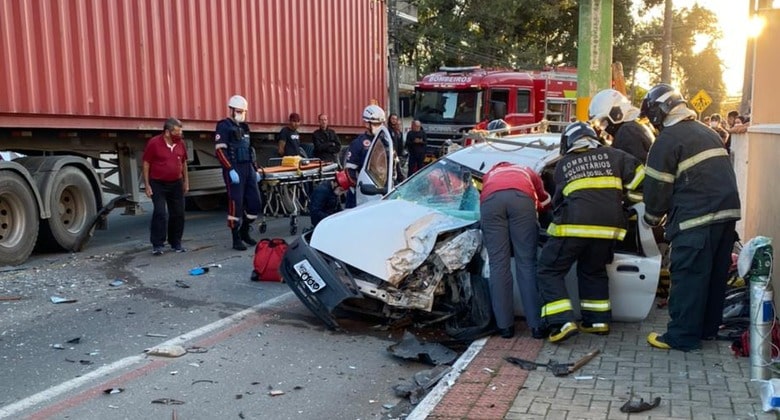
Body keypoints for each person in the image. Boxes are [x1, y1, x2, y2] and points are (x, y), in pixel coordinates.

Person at [640, 84, 741, 352]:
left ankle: (682, 337)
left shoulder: (668, 140)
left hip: (696, 218)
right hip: (727, 215)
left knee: (689, 276)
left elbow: (657, 187)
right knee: (714, 276)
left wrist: (651, 218)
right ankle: (706, 330)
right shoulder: (708, 132)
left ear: (659, 112)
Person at [537, 121, 644, 344]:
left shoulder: (564, 164)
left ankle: (562, 322)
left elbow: (558, 203)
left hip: (574, 227)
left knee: (549, 269)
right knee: (593, 271)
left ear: (568, 143)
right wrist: (624, 201)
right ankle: (597, 321)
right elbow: (642, 178)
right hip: (609, 229)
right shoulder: (616, 155)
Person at [480, 162, 551, 339]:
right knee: (527, 264)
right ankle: (536, 326)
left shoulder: (490, 174)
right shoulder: (526, 170)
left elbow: (482, 196)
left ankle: (505, 327)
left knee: (498, 265)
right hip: (521, 201)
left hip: (491, 203)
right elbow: (544, 199)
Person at [215, 95, 263, 251]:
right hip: (234, 169)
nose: (241, 114)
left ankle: (244, 230)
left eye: (243, 111)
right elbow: (220, 151)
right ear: (231, 110)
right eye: (238, 111)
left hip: (248, 168)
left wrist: (255, 169)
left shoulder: (245, 127)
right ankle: (236, 237)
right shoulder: (224, 126)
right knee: (236, 204)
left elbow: (250, 150)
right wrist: (230, 169)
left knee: (255, 203)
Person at [142, 118, 189, 255]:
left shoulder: (180, 144)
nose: (179, 134)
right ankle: (158, 244)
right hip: (158, 183)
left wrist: (186, 181)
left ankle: (176, 242)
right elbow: (146, 163)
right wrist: (147, 184)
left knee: (178, 213)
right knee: (160, 213)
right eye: (176, 132)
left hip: (176, 183)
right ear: (167, 132)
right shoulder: (154, 143)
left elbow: (184, 163)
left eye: (180, 132)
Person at [588, 89, 654, 163]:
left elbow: (627, 165)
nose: (603, 128)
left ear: (615, 114)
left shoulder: (626, 132)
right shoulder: (634, 126)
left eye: (603, 122)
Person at [344, 104, 388, 208]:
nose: (379, 126)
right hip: (364, 190)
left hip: (384, 189)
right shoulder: (358, 143)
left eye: (380, 123)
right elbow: (349, 171)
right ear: (367, 124)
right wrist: (358, 188)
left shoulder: (385, 142)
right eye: (375, 124)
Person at [387, 113, 406, 182]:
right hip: (390, 153)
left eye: (395, 119)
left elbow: (400, 144)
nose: (394, 120)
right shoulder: (388, 130)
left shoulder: (398, 132)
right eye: (392, 119)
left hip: (397, 154)